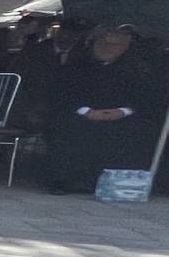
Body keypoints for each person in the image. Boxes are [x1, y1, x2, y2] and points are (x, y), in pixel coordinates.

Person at [46, 25, 162, 195]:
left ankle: (119, 184)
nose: (107, 48)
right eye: (103, 43)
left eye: (114, 44)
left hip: (122, 117)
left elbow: (146, 100)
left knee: (141, 129)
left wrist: (122, 111)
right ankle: (65, 181)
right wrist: (86, 111)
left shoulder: (138, 72)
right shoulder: (73, 69)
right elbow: (61, 96)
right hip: (79, 115)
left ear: (125, 48)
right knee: (68, 126)